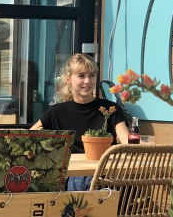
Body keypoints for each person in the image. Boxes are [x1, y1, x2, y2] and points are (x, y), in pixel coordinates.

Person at [31, 54, 129, 190]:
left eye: (92, 75)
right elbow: (27, 138)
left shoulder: (110, 109)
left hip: (103, 173)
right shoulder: (56, 112)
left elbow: (128, 141)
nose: (87, 81)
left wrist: (147, 145)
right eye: (81, 76)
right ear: (68, 79)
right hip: (73, 174)